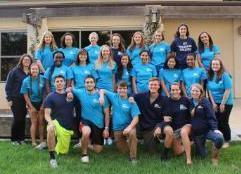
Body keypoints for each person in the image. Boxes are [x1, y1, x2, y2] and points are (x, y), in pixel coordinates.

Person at [68, 75, 110, 163]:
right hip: (85, 120)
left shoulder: (101, 96)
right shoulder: (80, 92)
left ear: (95, 84)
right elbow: (70, 88)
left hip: (98, 123)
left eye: (91, 82)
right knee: (86, 132)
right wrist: (69, 92)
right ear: (84, 84)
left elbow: (107, 113)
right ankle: (84, 154)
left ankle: (84, 143)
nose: (89, 84)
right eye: (87, 82)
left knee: (98, 150)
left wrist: (106, 128)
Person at [99, 81, 140, 163]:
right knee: (124, 151)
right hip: (117, 129)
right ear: (117, 89)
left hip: (128, 127)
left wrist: (129, 127)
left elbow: (136, 118)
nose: (122, 90)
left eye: (124, 88)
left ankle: (133, 158)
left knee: (132, 133)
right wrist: (101, 97)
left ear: (127, 89)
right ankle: (133, 143)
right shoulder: (114, 96)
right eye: (120, 88)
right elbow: (102, 90)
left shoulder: (131, 101)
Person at [156, 83, 192, 165]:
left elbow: (192, 114)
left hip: (184, 128)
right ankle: (165, 155)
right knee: (177, 152)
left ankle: (189, 142)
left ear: (180, 90)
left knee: (177, 151)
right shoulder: (166, 101)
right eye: (173, 90)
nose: (175, 91)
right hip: (172, 128)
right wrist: (160, 126)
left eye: (177, 90)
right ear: (170, 91)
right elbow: (166, 118)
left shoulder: (186, 100)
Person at [44, 75, 75, 168]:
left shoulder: (71, 94)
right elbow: (46, 114)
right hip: (56, 122)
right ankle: (52, 158)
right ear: (54, 83)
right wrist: (50, 122)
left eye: (61, 81)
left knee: (63, 152)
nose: (59, 83)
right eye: (57, 81)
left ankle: (54, 144)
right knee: (50, 129)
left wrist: (71, 94)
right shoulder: (50, 97)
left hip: (67, 127)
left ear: (65, 83)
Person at [190, 84, 224, 166]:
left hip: (207, 130)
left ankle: (215, 157)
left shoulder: (205, 101)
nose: (194, 92)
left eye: (197, 91)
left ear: (201, 92)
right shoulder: (188, 102)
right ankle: (202, 145)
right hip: (196, 133)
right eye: (193, 91)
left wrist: (215, 128)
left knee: (219, 138)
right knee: (202, 156)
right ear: (190, 91)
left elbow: (211, 116)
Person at [69, 48, 97, 148]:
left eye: (84, 55)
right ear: (78, 56)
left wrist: (95, 91)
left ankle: (90, 140)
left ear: (87, 56)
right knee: (79, 116)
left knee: (89, 115)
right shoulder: (73, 66)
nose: (83, 56)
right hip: (78, 93)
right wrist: (72, 89)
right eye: (81, 55)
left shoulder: (91, 66)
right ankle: (80, 139)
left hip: (89, 93)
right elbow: (71, 80)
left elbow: (94, 80)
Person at [5, 54, 33, 145]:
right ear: (21, 61)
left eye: (28, 60)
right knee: (17, 119)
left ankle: (21, 139)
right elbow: (8, 86)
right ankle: (14, 139)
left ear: (30, 62)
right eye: (25, 60)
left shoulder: (31, 72)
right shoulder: (14, 71)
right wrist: (9, 99)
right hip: (16, 98)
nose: (26, 61)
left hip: (27, 99)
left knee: (23, 119)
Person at [133, 77, 166, 153]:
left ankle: (156, 139)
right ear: (148, 85)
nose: (153, 86)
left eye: (155, 85)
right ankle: (139, 139)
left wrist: (159, 127)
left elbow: (166, 118)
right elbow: (132, 95)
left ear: (159, 86)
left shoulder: (164, 99)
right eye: (151, 84)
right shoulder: (141, 96)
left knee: (152, 152)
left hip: (152, 128)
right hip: (141, 126)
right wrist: (131, 97)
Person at [207, 58, 233, 148]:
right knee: (215, 121)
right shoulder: (210, 75)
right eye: (213, 64)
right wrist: (213, 103)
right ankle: (218, 139)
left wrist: (222, 103)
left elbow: (227, 90)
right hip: (214, 102)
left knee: (223, 122)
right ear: (211, 66)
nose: (215, 66)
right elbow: (209, 90)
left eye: (217, 64)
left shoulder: (225, 75)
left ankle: (226, 140)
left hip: (226, 102)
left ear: (220, 65)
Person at [20, 63, 46, 149]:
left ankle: (42, 141)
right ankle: (34, 141)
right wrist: (31, 107)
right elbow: (25, 95)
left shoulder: (43, 79)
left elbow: (45, 93)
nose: (34, 71)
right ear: (30, 71)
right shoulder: (26, 81)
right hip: (31, 103)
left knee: (41, 122)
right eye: (33, 69)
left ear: (39, 70)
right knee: (34, 122)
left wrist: (43, 105)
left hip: (41, 102)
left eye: (36, 69)